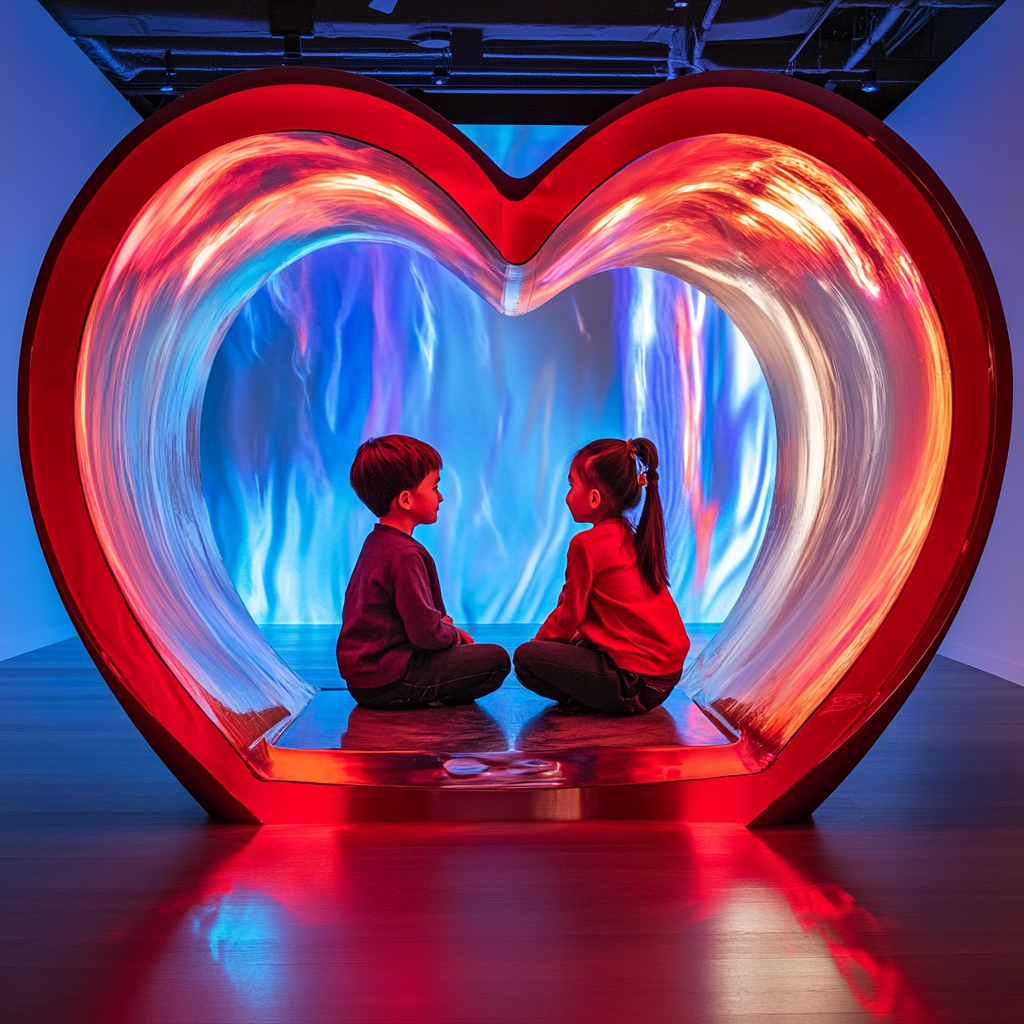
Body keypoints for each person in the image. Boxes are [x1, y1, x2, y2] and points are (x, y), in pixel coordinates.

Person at [513, 438, 690, 715]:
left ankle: (601, 703)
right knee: (577, 640)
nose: (567, 495)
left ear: (594, 498)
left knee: (526, 659)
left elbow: (569, 614)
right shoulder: (630, 536)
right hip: (665, 678)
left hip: (636, 683)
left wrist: (539, 644)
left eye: (571, 486)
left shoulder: (586, 544)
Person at [336, 434, 510, 709]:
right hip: (389, 680)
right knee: (495, 660)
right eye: (435, 487)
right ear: (406, 499)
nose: (440, 497)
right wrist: (454, 633)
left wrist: (443, 628)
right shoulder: (405, 554)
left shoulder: (377, 542)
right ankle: (421, 695)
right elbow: (425, 634)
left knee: (462, 652)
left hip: (364, 681)